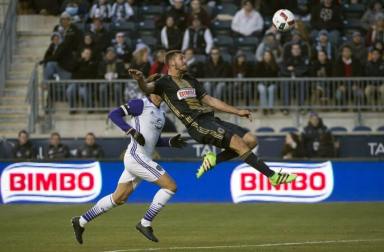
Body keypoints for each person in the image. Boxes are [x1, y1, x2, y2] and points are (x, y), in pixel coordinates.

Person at [128, 50, 297, 186]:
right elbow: (147, 87)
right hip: (197, 124)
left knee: (251, 141)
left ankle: (214, 160)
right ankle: (273, 176)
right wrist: (140, 80)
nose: (185, 60)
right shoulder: (163, 83)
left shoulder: (190, 79)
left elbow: (210, 100)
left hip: (211, 119)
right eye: (182, 59)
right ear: (172, 63)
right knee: (238, 143)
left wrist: (237, 111)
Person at [71, 91, 187, 244]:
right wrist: (131, 130)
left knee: (118, 198)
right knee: (170, 186)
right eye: (161, 89)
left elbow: (153, 140)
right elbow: (114, 114)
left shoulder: (161, 114)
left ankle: (81, 221)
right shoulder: (140, 104)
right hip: (136, 156)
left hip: (142, 158)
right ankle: (145, 223)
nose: (164, 92)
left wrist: (170, 142)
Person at [66, 48, 98, 112]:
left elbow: (90, 73)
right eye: (86, 53)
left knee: (82, 91)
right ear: (82, 54)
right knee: (69, 90)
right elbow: (71, 68)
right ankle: (72, 108)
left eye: (88, 53)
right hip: (76, 82)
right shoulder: (77, 61)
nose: (87, 55)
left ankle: (90, 107)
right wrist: (80, 60)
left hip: (86, 83)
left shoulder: (93, 63)